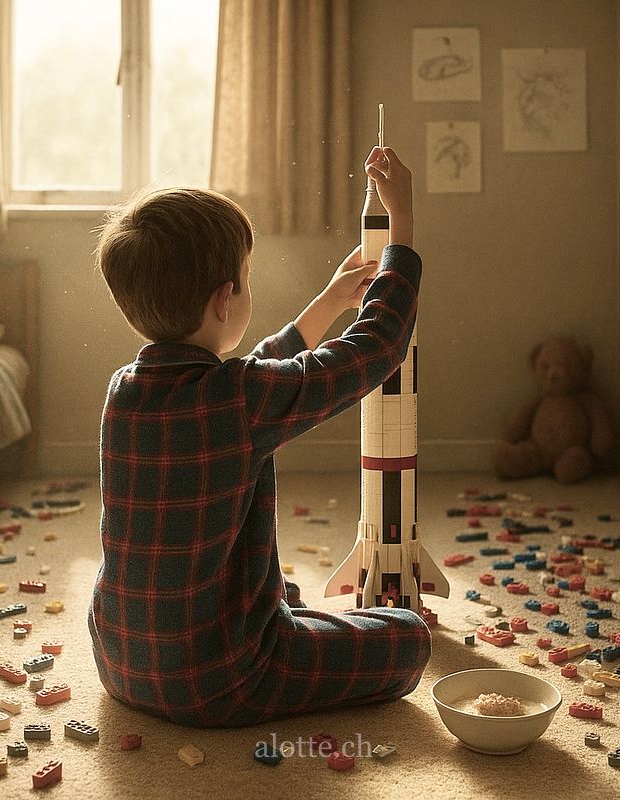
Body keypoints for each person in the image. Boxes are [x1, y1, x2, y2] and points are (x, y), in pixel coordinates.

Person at [88, 146, 430, 727]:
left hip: (119, 660)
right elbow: (374, 350)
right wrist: (403, 230)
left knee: (279, 591)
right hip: (224, 678)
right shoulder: (242, 398)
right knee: (407, 638)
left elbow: (250, 378)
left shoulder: (125, 392)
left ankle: (274, 620)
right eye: (245, 281)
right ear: (226, 299)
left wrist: (326, 303)